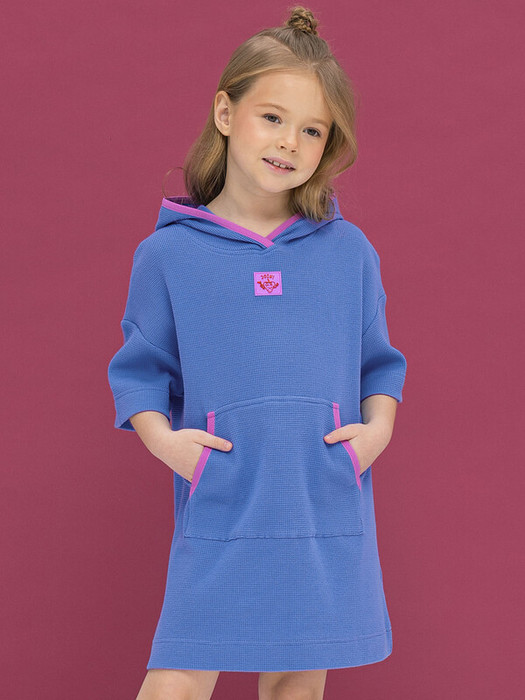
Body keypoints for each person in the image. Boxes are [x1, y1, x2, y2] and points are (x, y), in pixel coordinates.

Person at [107, 6, 407, 700]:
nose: (289, 142)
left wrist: (374, 434)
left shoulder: (348, 252)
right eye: (272, 117)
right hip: (226, 494)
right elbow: (141, 371)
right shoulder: (168, 255)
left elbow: (379, 363)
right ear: (225, 111)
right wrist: (168, 446)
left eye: (312, 130)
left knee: (297, 679)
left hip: (320, 497)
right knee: (179, 678)